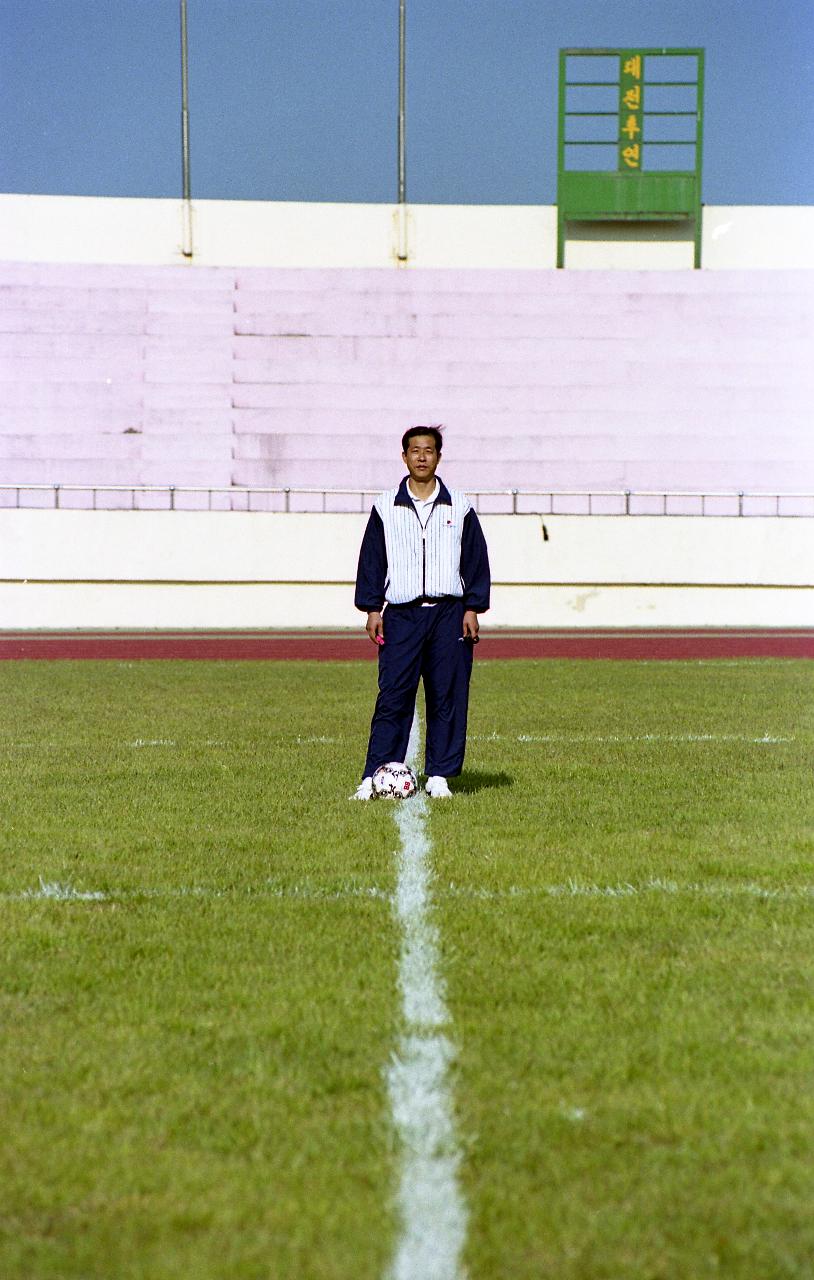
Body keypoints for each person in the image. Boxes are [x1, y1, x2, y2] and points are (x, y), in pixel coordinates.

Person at [352, 425, 490, 799]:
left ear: (438, 457)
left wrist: (473, 606)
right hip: (401, 615)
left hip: (449, 614)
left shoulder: (459, 506)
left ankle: (440, 775)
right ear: (404, 457)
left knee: (447, 694)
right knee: (393, 695)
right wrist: (371, 607)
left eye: (429, 451)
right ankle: (373, 775)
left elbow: (475, 560)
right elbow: (372, 560)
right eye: (415, 451)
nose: (422, 457)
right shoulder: (385, 506)